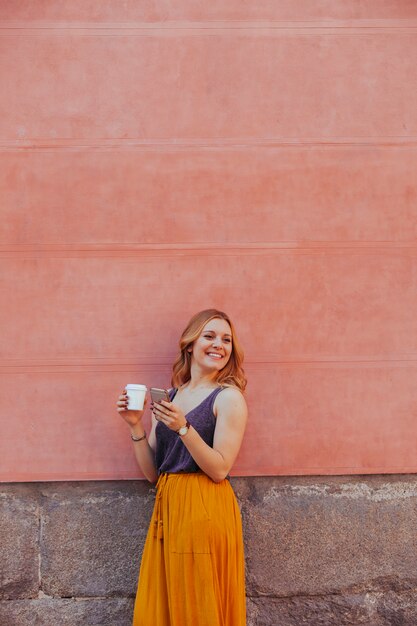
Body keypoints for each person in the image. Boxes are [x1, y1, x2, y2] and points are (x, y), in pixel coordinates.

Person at [116, 309, 248, 626]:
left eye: (226, 339)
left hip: (204, 508)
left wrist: (183, 427)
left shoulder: (229, 398)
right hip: (169, 508)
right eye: (210, 336)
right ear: (190, 345)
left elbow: (219, 469)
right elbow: (152, 473)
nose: (219, 345)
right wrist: (135, 425)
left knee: (198, 606)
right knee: (167, 605)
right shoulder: (171, 397)